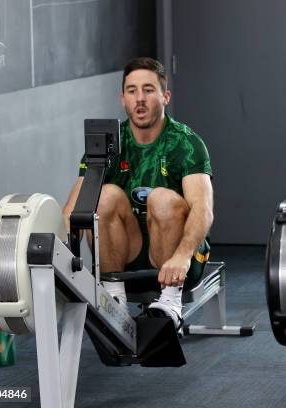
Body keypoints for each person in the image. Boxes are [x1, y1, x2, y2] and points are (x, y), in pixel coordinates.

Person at [63, 57, 214, 329]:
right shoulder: (108, 144)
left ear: (165, 96)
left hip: (180, 260)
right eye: (132, 91)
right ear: (123, 98)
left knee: (162, 198)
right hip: (126, 254)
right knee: (104, 196)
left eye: (148, 90)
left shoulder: (187, 143)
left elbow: (203, 210)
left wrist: (182, 256)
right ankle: (114, 297)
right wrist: (57, 261)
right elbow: (73, 210)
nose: (139, 99)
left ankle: (170, 303)